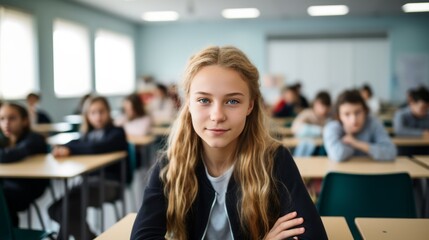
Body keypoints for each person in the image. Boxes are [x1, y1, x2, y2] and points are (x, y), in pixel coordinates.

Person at [130, 46, 327, 239]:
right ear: (188, 102)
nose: (217, 116)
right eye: (204, 100)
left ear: (250, 105)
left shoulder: (274, 159)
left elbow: (312, 235)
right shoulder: (171, 164)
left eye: (232, 101)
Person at [48, 96, 128, 240]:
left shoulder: (117, 132)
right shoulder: (87, 135)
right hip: (87, 184)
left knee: (67, 210)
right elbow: (75, 142)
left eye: (101, 111)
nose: (98, 116)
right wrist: (65, 147)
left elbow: (96, 148)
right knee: (54, 209)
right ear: (87, 116)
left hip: (109, 185)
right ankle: (90, 237)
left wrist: (71, 149)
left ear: (108, 112)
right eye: (93, 113)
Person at [0, 103, 49, 226]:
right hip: (8, 184)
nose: (6, 123)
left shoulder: (34, 139)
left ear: (25, 121)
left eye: (12, 118)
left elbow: (9, 155)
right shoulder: (5, 140)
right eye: (2, 119)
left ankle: (9, 233)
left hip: (27, 187)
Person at [323, 89, 397, 162]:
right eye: (347, 114)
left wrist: (355, 143)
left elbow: (391, 153)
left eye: (357, 112)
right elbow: (338, 155)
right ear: (339, 116)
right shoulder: (332, 127)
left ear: (365, 111)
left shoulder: (373, 123)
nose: (353, 120)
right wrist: (349, 134)